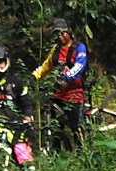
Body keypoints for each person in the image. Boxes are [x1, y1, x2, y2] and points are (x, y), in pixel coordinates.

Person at [32, 18, 88, 151]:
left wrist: (66, 77)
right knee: (55, 125)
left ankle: (84, 154)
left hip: (74, 93)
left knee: (76, 127)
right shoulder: (56, 49)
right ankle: (56, 153)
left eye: (62, 33)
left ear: (69, 32)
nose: (60, 36)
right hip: (58, 93)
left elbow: (79, 66)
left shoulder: (79, 47)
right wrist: (35, 76)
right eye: (57, 34)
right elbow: (47, 65)